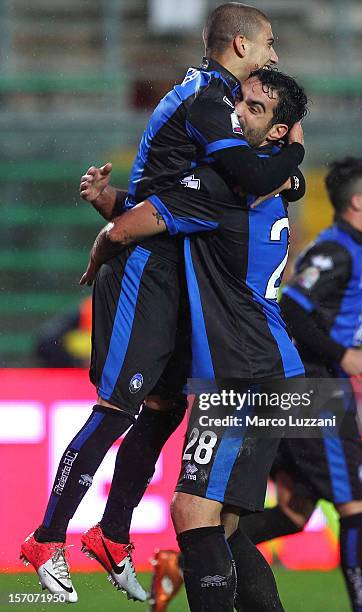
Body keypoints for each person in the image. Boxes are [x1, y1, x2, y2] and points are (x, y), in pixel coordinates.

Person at [20, 3, 304, 603]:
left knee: (165, 406)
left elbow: (205, 187)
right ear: (241, 46)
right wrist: (109, 235)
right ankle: (47, 537)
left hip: (171, 267)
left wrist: (114, 210)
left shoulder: (218, 108)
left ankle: (112, 533)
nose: (275, 52)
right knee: (120, 408)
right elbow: (238, 183)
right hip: (145, 268)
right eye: (269, 42)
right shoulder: (208, 103)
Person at [80, 69, 308, 612]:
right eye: (240, 100)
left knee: (191, 512)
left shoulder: (224, 186)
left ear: (276, 133)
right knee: (224, 528)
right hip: (267, 369)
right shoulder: (255, 182)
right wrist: (111, 199)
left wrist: (104, 240)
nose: (237, 110)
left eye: (253, 108)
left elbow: (131, 227)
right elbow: (164, 206)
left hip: (243, 373)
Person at [149, 157, 362, 612]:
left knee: (292, 511)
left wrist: (359, 337)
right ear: (359, 201)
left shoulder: (353, 250)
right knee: (357, 510)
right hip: (316, 395)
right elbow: (295, 311)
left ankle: (187, 564)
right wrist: (343, 354)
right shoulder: (334, 252)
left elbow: (318, 318)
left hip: (294, 386)